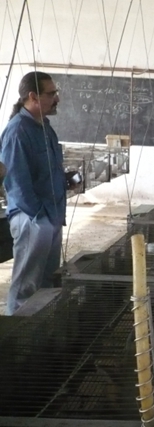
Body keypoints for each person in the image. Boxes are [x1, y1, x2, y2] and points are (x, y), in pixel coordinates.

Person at [0, 71, 68, 315]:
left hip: (52, 213)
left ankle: (41, 327)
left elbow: (47, 170)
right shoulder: (18, 130)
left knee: (48, 279)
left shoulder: (44, 127)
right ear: (33, 96)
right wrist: (39, 216)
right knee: (26, 284)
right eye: (51, 93)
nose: (56, 98)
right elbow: (16, 181)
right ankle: (16, 327)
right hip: (32, 217)